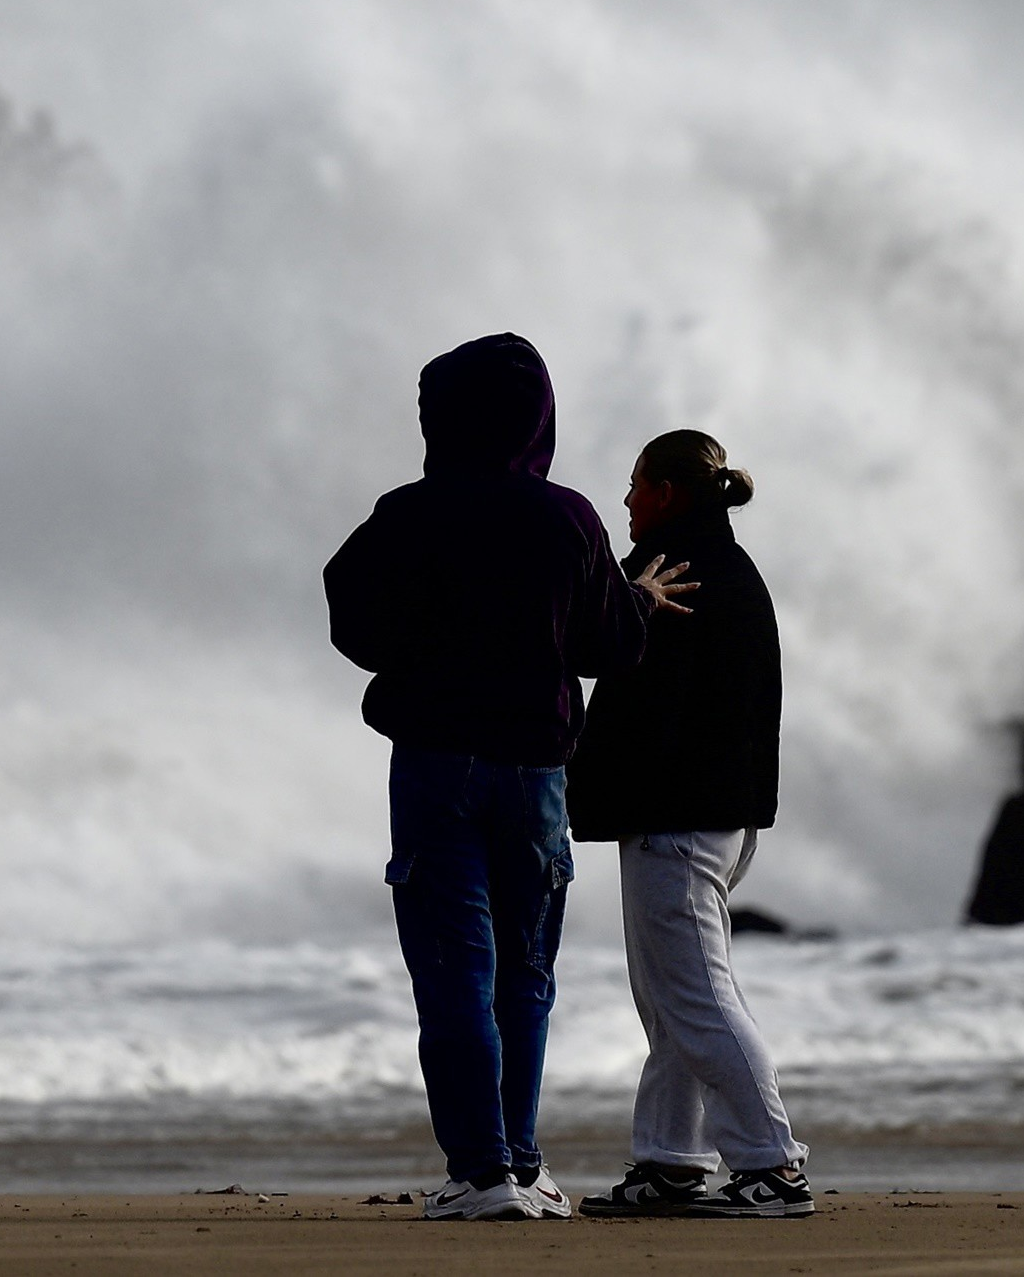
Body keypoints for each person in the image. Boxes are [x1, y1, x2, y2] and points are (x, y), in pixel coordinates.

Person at [325, 334, 680, 1221]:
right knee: (524, 974)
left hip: (439, 764)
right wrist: (634, 598)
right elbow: (611, 648)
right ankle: (523, 1166)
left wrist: (421, 651)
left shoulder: (409, 511)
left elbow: (351, 618)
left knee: (455, 970)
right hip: (536, 774)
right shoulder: (568, 518)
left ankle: (481, 1172)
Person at [568, 428, 812, 1219]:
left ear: (667, 492)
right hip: (713, 815)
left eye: (636, 484)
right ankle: (671, 1160)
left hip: (679, 816)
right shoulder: (722, 563)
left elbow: (607, 661)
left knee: (695, 996)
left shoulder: (676, 569)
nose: (627, 500)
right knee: (675, 996)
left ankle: (772, 1166)